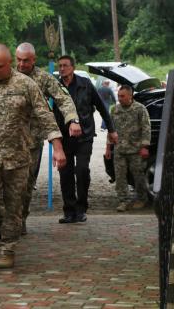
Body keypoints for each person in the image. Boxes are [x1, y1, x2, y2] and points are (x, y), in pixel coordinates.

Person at [0, 44, 66, 275]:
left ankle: (7, 249)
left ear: (10, 63)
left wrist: (58, 148)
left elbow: (45, 117)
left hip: (18, 156)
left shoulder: (26, 85)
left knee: (13, 206)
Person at [0, 43, 81, 235]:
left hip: (31, 142)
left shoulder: (43, 78)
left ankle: (19, 221)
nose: (21, 64)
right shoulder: (4, 75)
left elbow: (63, 98)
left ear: (34, 60)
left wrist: (72, 120)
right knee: (0, 185)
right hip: (4, 140)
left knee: (24, 186)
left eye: (26, 61)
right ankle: (2, 222)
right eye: (18, 60)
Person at [55, 55, 118, 224]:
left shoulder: (86, 84)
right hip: (64, 137)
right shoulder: (56, 86)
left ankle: (81, 209)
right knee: (65, 173)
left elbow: (102, 107)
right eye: (60, 66)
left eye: (65, 65)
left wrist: (112, 130)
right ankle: (69, 211)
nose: (62, 69)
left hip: (85, 135)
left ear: (73, 67)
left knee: (82, 170)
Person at [105, 84, 151, 212]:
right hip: (119, 150)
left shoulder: (140, 109)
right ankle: (123, 201)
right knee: (120, 177)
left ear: (130, 96)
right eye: (118, 96)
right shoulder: (115, 110)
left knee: (138, 176)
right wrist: (108, 148)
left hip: (135, 149)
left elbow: (146, 128)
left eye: (122, 96)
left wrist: (144, 147)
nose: (119, 98)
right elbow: (111, 130)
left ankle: (142, 198)